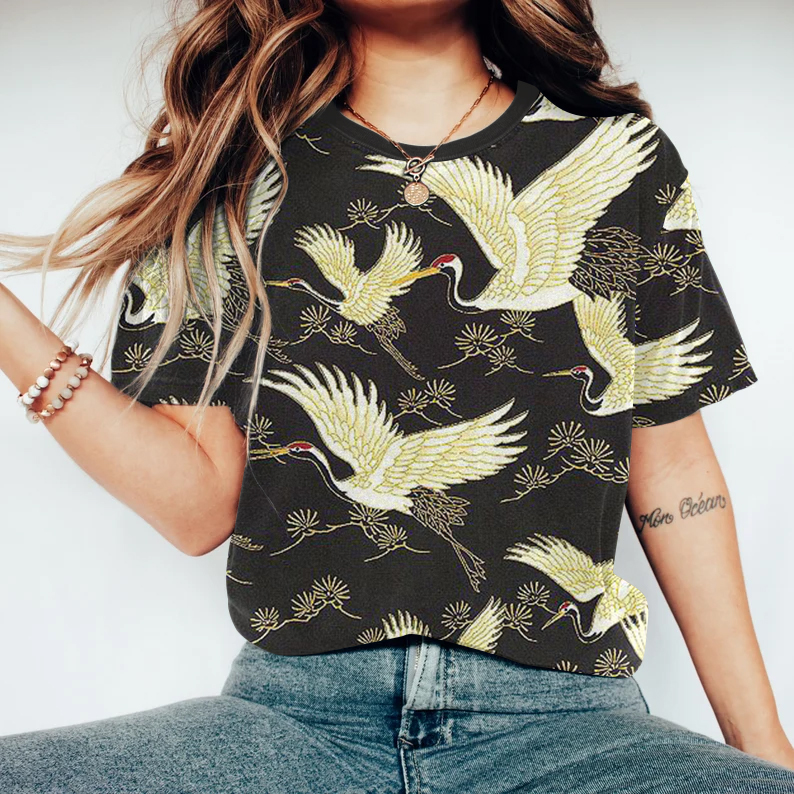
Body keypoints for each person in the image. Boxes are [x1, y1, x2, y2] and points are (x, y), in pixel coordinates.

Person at [1, 1, 792, 792]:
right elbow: (198, 507)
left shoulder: (614, 155)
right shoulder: (231, 174)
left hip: (566, 725)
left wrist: (761, 742)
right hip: (297, 724)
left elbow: (674, 472)